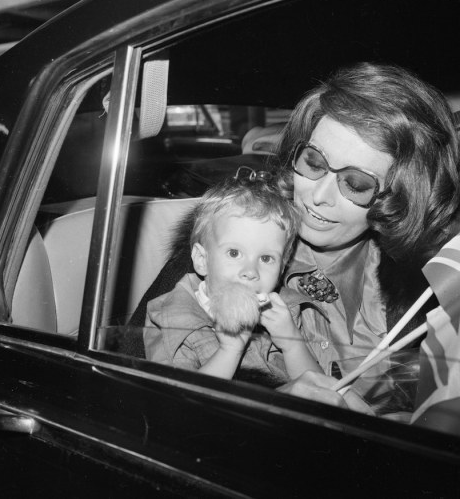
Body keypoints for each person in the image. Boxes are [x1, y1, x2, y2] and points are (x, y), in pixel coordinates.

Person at [126, 62, 460, 410]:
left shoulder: (431, 279)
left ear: (399, 196)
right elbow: (135, 402)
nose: (318, 196)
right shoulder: (229, 251)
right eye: (314, 162)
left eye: (356, 183)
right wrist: (269, 407)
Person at [144, 171, 321, 383]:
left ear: (282, 268)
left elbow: (322, 391)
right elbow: (178, 406)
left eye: (266, 258)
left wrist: (292, 343)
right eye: (234, 253)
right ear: (202, 259)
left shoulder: (286, 313)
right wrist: (229, 351)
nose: (251, 271)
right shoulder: (169, 318)